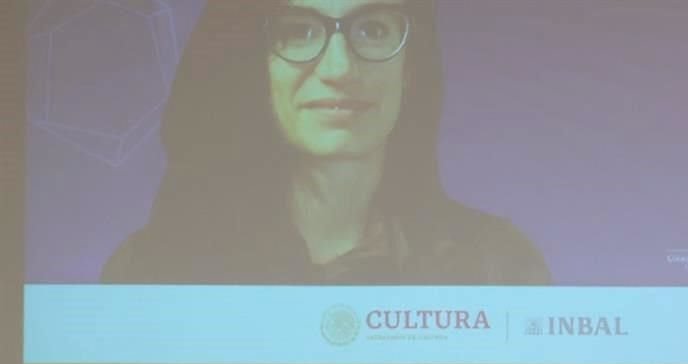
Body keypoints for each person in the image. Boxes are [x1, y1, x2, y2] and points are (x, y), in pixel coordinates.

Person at [101, 0, 550, 285]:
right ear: (256, 65)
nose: (339, 69)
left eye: (373, 30)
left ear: (411, 67)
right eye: (299, 30)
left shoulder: (498, 264)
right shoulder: (151, 267)